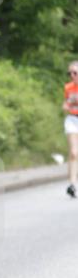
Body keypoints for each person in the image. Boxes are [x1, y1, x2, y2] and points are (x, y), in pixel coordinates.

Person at [63, 60, 78, 197]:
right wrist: (67, 105)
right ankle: (72, 184)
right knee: (74, 152)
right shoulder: (68, 88)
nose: (72, 76)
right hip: (72, 119)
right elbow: (66, 104)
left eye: (75, 73)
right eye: (70, 73)